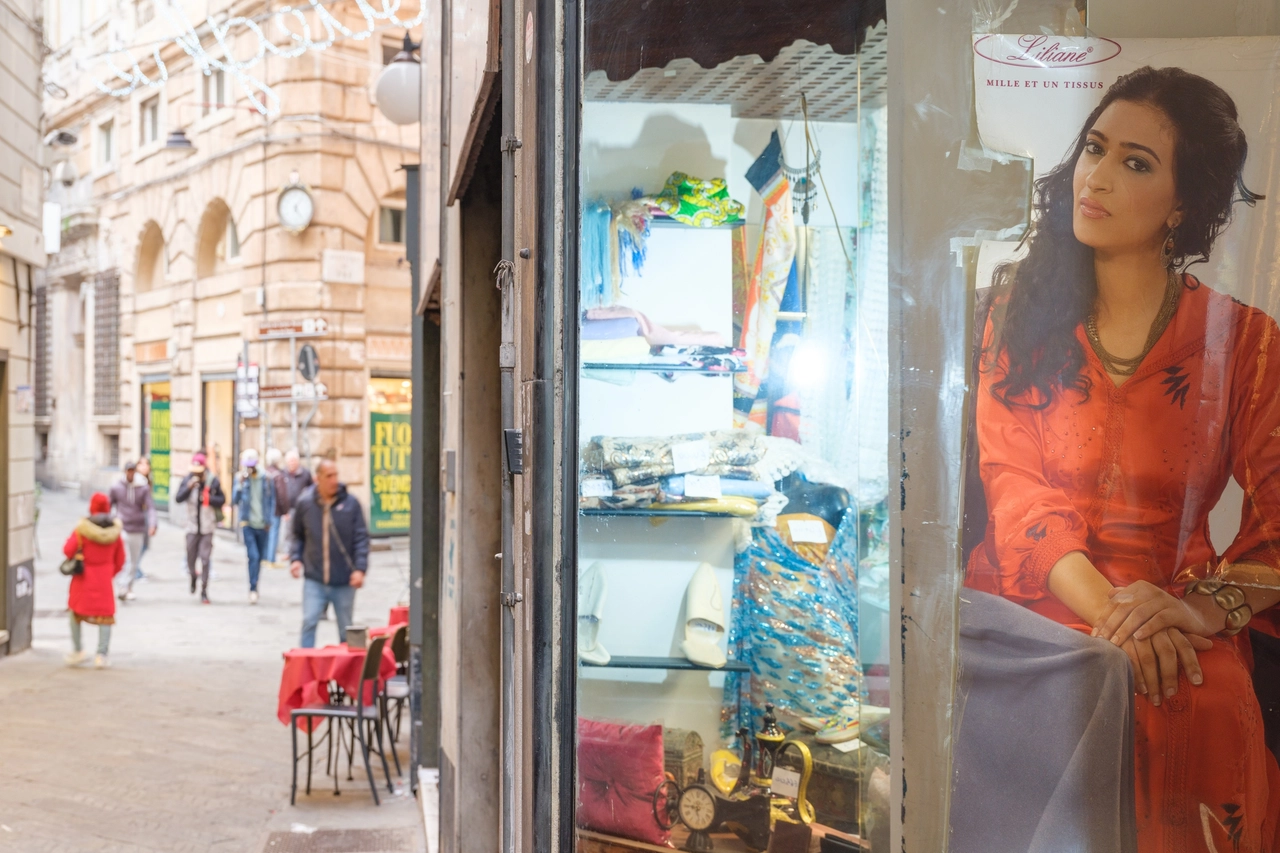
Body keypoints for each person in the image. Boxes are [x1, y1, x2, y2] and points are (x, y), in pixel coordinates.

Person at [967, 66, 1280, 851]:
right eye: (1094, 150)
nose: (1097, 176)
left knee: (1198, 700)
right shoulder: (1018, 313)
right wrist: (1114, 616)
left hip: (1179, 610)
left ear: (1184, 204)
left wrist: (1194, 611)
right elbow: (1016, 493)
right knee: (1069, 686)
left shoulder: (1244, 344)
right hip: (1036, 599)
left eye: (1135, 162)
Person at [290, 458, 369, 648]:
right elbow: (297, 535)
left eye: (336, 475)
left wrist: (360, 569)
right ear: (318, 479)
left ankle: (346, 675)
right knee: (309, 622)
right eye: (329, 476)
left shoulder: (351, 504)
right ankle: (306, 669)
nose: (334, 480)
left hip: (343, 580)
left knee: (345, 629)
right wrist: (296, 559)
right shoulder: (305, 503)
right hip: (314, 579)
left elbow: (361, 538)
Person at [64, 492, 125, 668]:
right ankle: (101, 655)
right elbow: (121, 559)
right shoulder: (115, 532)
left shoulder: (82, 530)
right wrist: (109, 572)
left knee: (75, 613)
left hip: (83, 580)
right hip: (104, 579)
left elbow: (68, 550)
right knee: (105, 616)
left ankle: (77, 650)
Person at [174, 451, 226, 604]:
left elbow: (222, 499)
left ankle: (204, 590)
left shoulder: (212, 481)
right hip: (191, 526)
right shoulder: (187, 480)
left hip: (207, 527)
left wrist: (209, 498)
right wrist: (189, 487)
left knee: (205, 559)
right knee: (191, 558)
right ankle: (193, 577)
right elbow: (178, 498)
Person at [108, 459, 157, 602]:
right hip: (121, 527)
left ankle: (128, 586)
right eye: (128, 471)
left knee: (134, 560)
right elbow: (109, 504)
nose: (130, 474)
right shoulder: (117, 487)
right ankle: (123, 586)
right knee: (126, 558)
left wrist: (152, 524)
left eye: (132, 471)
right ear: (125, 472)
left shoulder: (143, 487)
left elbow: (150, 507)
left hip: (137, 527)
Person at [232, 448, 275, 604]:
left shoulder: (267, 478)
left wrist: (269, 521)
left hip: (262, 524)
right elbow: (234, 500)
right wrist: (240, 485)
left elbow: (271, 501)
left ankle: (255, 583)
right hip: (248, 523)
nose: (249, 468)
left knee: (260, 557)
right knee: (253, 556)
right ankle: (253, 588)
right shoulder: (240, 478)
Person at [277, 448, 314, 574]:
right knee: (288, 531)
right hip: (288, 508)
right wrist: (283, 510)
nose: (292, 463)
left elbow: (311, 488)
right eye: (290, 461)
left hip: (302, 508)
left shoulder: (305, 473)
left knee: (302, 530)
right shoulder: (283, 473)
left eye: (294, 460)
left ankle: (302, 553)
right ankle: (288, 552)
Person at [264, 447, 285, 567]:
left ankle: (266, 557)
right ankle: (271, 559)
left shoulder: (265, 472)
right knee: (274, 532)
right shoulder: (277, 475)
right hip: (275, 508)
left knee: (267, 531)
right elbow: (281, 494)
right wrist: (285, 510)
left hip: (265, 509)